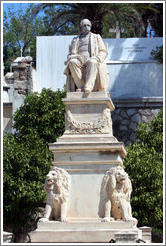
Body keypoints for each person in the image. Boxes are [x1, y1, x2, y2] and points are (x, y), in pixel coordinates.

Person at [64, 19, 109, 93]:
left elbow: (103, 51)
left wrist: (97, 58)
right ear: (81, 27)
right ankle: (81, 86)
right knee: (72, 62)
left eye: (88, 25)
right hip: (79, 61)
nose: (86, 27)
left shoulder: (96, 37)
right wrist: (75, 57)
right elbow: (70, 55)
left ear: (90, 26)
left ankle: (88, 86)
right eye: (84, 25)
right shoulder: (75, 40)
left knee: (93, 62)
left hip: (91, 59)